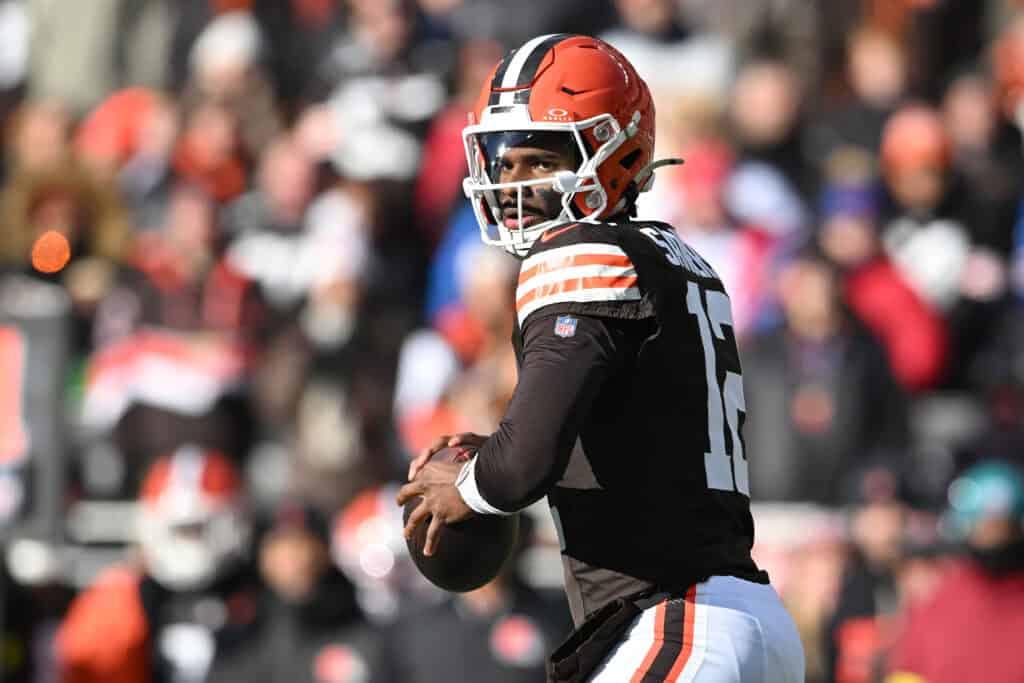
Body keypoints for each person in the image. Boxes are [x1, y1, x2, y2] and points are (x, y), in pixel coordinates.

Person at [397, 34, 805, 682]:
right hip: (742, 619)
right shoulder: (681, 258)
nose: (514, 184)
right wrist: (493, 447)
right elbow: (611, 434)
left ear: (616, 149)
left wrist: (468, 485)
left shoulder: (579, 254)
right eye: (504, 163)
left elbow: (520, 469)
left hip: (678, 619)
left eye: (540, 160)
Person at [885, 460, 1024, 683]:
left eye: (1004, 530)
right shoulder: (938, 603)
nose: (993, 540)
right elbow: (908, 672)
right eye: (983, 529)